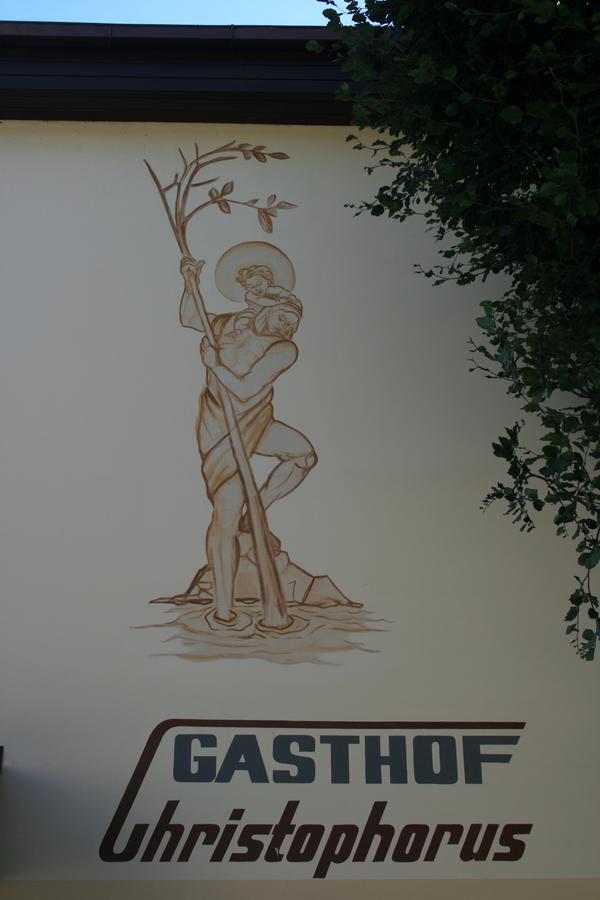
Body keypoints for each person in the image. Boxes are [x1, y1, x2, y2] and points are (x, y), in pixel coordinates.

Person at [181, 260, 317, 624]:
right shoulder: (227, 324)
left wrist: (214, 364)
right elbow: (190, 317)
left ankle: (256, 511)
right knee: (223, 515)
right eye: (284, 317)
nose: (288, 326)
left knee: (303, 455)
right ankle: (224, 610)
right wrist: (189, 280)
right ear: (265, 309)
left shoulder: (284, 349)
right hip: (219, 427)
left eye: (294, 322)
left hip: (257, 420)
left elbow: (244, 391)